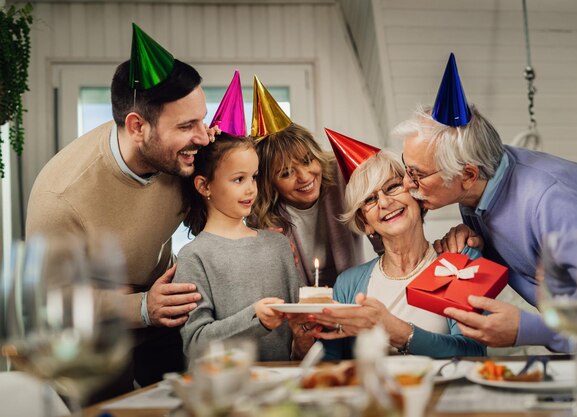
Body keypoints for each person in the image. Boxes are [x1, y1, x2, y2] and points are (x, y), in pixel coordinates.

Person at [25, 24, 215, 398]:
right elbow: (50, 301)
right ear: (137, 126)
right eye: (187, 125)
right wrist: (140, 305)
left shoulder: (186, 157)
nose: (204, 135)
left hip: (161, 307)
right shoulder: (60, 195)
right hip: (90, 336)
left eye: (202, 119)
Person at [395, 53, 577, 355]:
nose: (406, 184)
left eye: (418, 174)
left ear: (467, 174)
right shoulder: (475, 189)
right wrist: (478, 243)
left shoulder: (553, 199)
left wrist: (526, 329)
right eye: (406, 167)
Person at [306, 130, 485, 359]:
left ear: (417, 197)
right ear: (365, 223)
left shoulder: (460, 262)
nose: (384, 202)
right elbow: (332, 363)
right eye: (370, 199)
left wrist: (399, 332)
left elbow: (474, 351)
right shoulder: (348, 284)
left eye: (392, 187)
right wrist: (302, 341)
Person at [173, 133, 305, 361]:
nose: (251, 189)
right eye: (238, 179)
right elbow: (195, 343)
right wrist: (255, 319)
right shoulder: (193, 257)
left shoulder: (279, 245)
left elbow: (299, 321)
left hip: (280, 385)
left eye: (253, 177)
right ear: (204, 186)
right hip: (224, 390)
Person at [248, 76, 367, 287]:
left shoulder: (342, 177)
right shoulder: (261, 217)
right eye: (286, 173)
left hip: (353, 293)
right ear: (269, 183)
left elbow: (385, 236)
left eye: (307, 160)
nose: (304, 176)